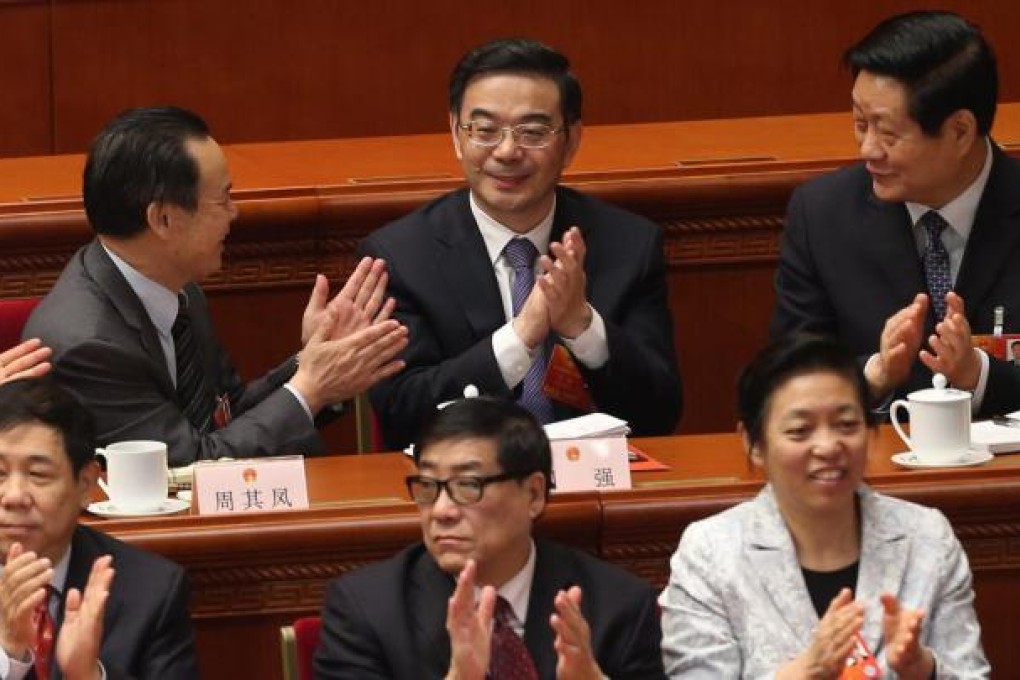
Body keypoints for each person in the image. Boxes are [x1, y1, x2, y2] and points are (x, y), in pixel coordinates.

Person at [24, 106, 409, 466]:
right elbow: (189, 466)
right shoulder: (91, 347)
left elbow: (225, 418)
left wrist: (312, 363)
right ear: (163, 219)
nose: (234, 213)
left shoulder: (176, 286)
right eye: (223, 199)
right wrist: (310, 388)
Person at [359, 38, 681, 449]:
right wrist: (522, 336)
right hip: (464, 493)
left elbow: (661, 412)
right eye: (485, 130)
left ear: (572, 141)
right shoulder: (400, 256)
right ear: (457, 135)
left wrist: (584, 327)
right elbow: (403, 413)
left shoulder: (628, 244)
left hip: (592, 487)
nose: (508, 151)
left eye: (532, 132)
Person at [659, 334, 989, 677]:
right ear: (754, 444)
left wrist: (924, 669)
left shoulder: (926, 536)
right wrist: (804, 671)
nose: (829, 446)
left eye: (847, 425)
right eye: (800, 431)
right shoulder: (710, 553)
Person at [770, 11, 1020, 416]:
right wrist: (875, 375)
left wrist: (981, 376)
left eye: (887, 133)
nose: (867, 149)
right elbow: (787, 380)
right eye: (859, 123)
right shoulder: (823, 216)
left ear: (959, 131)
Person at [314, 397, 665, 679]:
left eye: (468, 485)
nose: (441, 511)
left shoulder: (620, 608)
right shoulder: (366, 610)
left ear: (533, 494)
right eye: (428, 486)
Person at [0, 377, 199, 678]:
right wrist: (7, 657)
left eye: (38, 473)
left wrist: (89, 675)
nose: (14, 496)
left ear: (86, 484)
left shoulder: (150, 591)